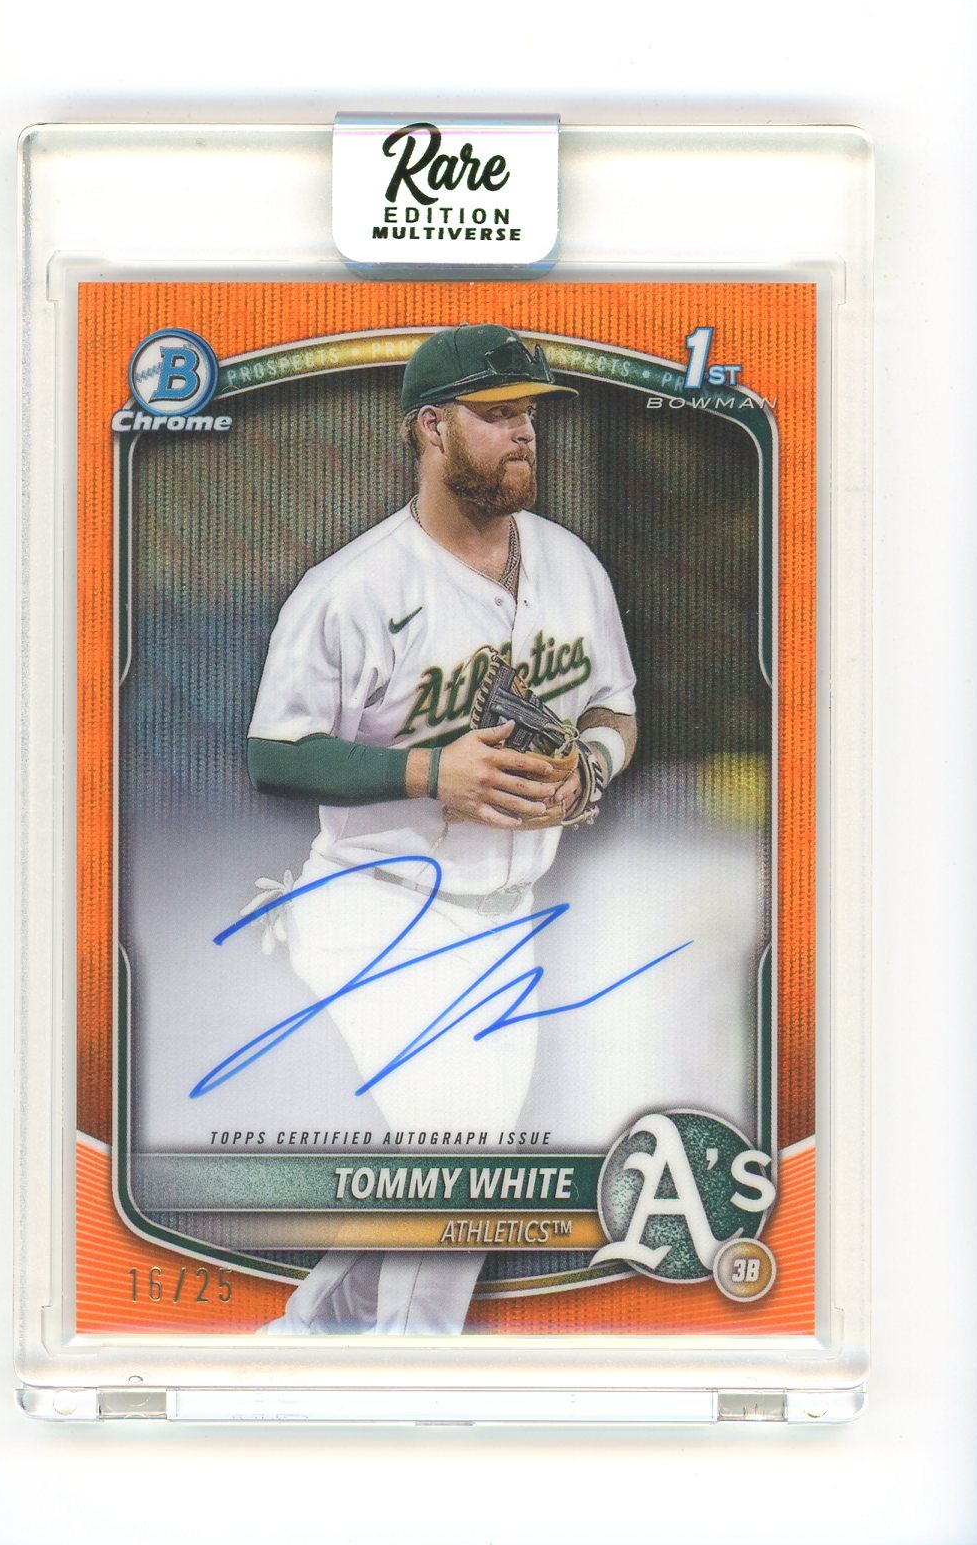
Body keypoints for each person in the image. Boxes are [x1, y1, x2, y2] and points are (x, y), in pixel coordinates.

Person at [246, 322, 637, 1334]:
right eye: (497, 413)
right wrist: (428, 771)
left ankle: (307, 1335)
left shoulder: (571, 564)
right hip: (376, 903)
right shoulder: (354, 589)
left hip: (507, 913)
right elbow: (274, 753)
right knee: (461, 1149)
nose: (524, 432)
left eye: (530, 414)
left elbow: (614, 704)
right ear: (430, 427)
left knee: (443, 1148)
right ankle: (411, 1366)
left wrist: (591, 764)